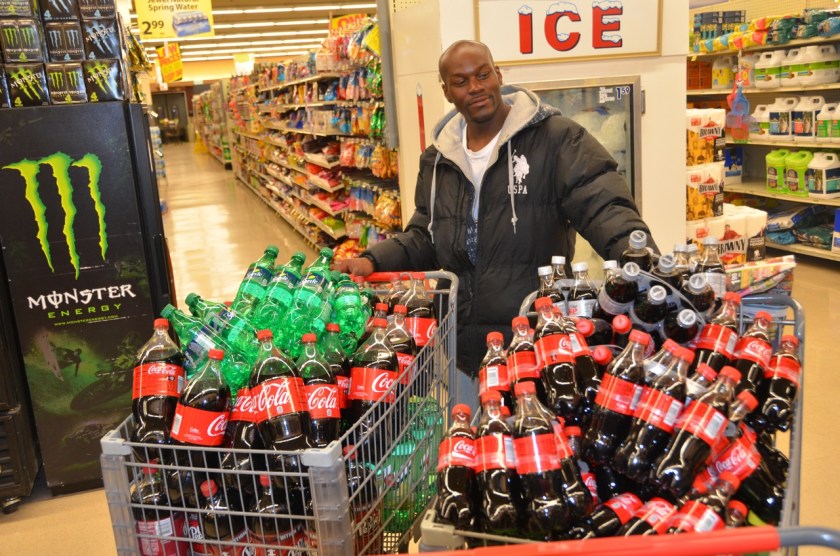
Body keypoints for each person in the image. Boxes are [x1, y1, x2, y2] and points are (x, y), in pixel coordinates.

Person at [333, 40, 654, 382]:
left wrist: (643, 265)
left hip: (534, 339)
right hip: (461, 345)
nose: (476, 88)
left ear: (498, 75)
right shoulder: (437, 159)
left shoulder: (555, 139)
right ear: (447, 91)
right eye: (461, 82)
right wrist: (372, 260)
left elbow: (604, 206)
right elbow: (424, 235)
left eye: (483, 75)